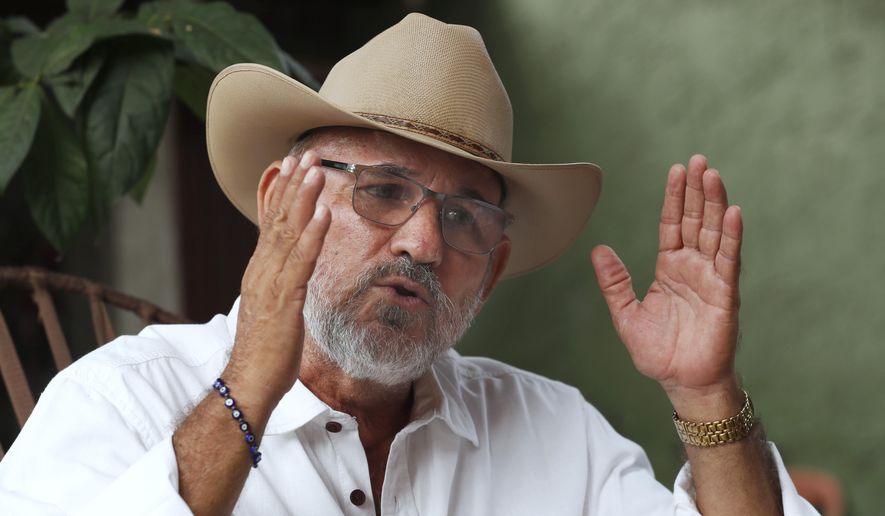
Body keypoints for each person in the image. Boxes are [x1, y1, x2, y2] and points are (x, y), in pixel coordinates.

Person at [0, 13, 817, 516]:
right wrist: (248, 385)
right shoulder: (122, 400)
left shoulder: (553, 433)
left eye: (464, 217)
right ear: (284, 202)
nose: (423, 244)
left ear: (490, 271)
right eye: (384, 191)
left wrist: (703, 393)